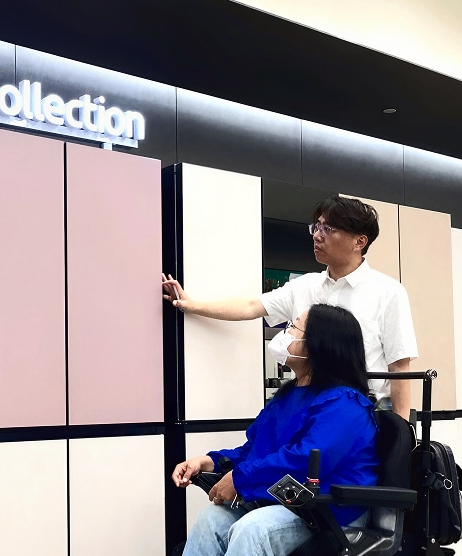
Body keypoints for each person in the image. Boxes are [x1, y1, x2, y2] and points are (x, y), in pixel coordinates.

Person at [162, 195, 418, 418]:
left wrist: (402, 432)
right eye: (316, 226)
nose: (317, 235)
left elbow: (399, 366)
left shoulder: (388, 292)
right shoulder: (305, 286)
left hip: (362, 415)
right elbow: (252, 306)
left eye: (328, 229)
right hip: (307, 409)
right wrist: (192, 305)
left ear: (359, 242)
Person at [173, 303, 378, 556]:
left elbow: (304, 460)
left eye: (294, 327)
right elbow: (255, 450)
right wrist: (210, 462)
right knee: (210, 518)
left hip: (329, 512)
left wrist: (240, 479)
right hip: (288, 503)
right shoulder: (288, 396)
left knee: (253, 530)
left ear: (318, 343)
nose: (286, 333)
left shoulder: (346, 404)